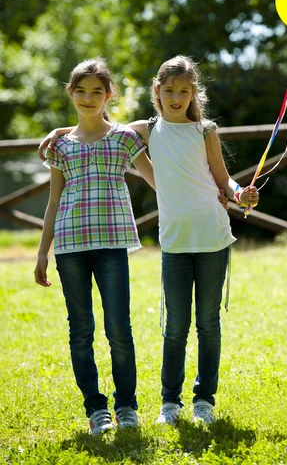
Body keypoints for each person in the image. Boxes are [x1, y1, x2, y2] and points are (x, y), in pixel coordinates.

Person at [38, 54, 259, 426]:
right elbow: (96, 123)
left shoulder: (203, 131)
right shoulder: (143, 129)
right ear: (156, 91)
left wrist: (239, 194)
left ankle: (201, 401)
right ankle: (167, 403)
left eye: (184, 92)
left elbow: (224, 179)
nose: (176, 97)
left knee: (207, 324)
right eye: (169, 90)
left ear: (193, 94)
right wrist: (60, 131)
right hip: (170, 241)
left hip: (211, 233)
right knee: (173, 328)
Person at [34, 57, 156, 436]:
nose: (88, 98)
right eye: (81, 91)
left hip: (111, 245)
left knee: (119, 327)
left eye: (97, 92)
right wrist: (43, 251)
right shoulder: (61, 145)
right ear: (71, 93)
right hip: (70, 246)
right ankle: (96, 409)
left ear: (109, 95)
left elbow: (158, 182)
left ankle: (127, 406)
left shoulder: (124, 138)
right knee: (80, 329)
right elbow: (54, 201)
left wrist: (207, 196)